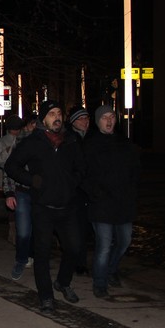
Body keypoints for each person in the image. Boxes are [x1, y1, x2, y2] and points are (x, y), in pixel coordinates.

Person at [5, 100, 85, 313]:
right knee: (42, 253)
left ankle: (63, 282)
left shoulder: (71, 140)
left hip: (67, 206)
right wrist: (33, 180)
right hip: (43, 207)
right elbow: (11, 165)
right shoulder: (34, 141)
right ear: (43, 118)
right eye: (51, 114)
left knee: (75, 248)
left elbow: (81, 167)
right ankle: (46, 296)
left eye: (59, 112)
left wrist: (74, 181)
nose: (57, 117)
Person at [81, 105, 141, 298]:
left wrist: (132, 192)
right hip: (102, 204)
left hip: (123, 203)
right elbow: (82, 174)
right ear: (98, 121)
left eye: (112, 117)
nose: (109, 121)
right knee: (104, 244)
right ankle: (100, 282)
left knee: (124, 241)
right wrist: (94, 193)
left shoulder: (124, 144)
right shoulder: (90, 145)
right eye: (104, 117)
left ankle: (111, 269)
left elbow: (135, 171)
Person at [0, 115, 37, 280]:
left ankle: (34, 256)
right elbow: (10, 168)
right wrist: (9, 193)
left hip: (41, 193)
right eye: (33, 124)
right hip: (22, 192)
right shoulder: (19, 144)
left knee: (38, 229)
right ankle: (21, 259)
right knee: (23, 230)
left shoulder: (48, 142)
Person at [0, 114, 24, 245]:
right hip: (9, 178)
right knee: (12, 204)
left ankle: (17, 231)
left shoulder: (24, 139)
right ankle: (13, 230)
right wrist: (7, 152)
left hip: (22, 178)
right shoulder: (1, 142)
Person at [68, 105, 93, 275]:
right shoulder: (69, 139)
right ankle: (75, 261)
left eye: (87, 118)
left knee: (84, 228)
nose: (85, 122)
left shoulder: (91, 139)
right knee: (74, 229)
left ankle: (81, 261)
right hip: (74, 191)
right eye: (81, 119)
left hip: (88, 191)